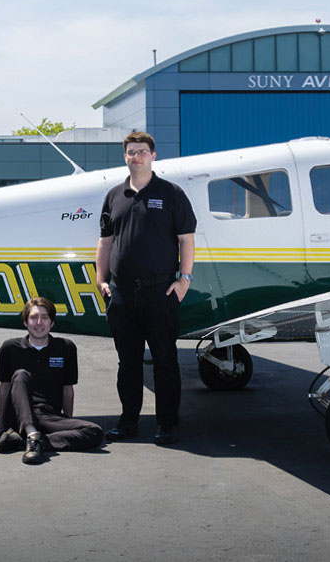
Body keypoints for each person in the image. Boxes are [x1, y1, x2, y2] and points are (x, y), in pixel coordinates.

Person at [94, 131, 196, 445]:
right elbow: (106, 241)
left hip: (160, 292)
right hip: (122, 293)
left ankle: (167, 423)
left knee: (165, 360)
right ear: (125, 156)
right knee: (128, 363)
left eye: (141, 152)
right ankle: (127, 423)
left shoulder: (171, 193)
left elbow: (186, 239)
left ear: (153, 155)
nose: (136, 157)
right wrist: (101, 280)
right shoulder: (114, 195)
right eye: (130, 152)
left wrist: (184, 279)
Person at [0, 297, 103, 464]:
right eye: (34, 317)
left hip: (48, 415)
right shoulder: (9, 348)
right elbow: (4, 387)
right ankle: (31, 433)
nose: (39, 323)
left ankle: (29, 441)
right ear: (25, 322)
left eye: (45, 317)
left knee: (94, 432)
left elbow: (67, 390)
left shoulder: (66, 347)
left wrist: (67, 420)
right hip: (19, 415)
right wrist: (0, 424)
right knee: (21, 375)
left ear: (52, 323)